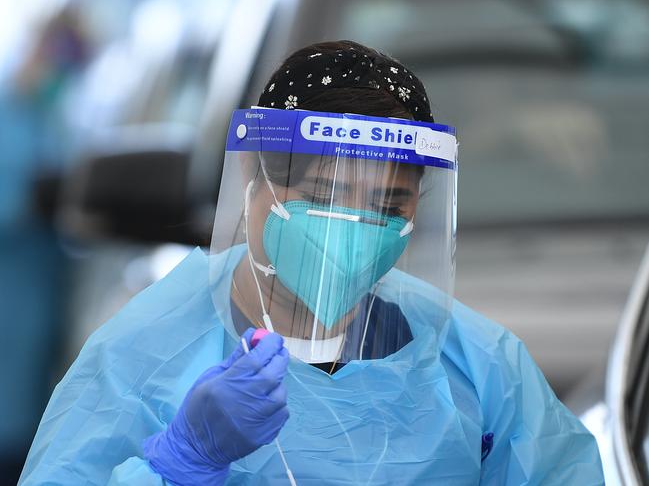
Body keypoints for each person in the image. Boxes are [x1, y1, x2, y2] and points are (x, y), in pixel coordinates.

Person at [19, 40, 604, 485]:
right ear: (254, 180)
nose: (353, 227)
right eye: (325, 195)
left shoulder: (473, 368)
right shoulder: (144, 359)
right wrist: (179, 464)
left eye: (386, 204)